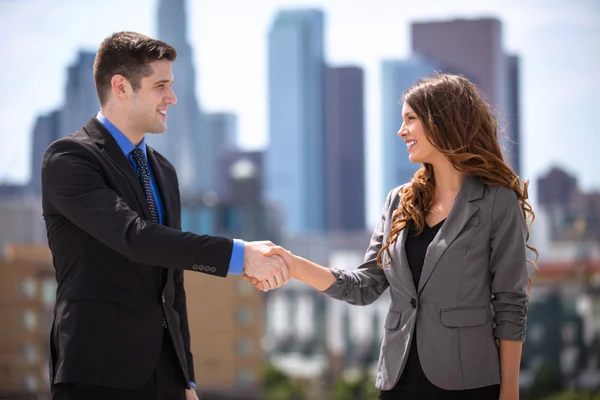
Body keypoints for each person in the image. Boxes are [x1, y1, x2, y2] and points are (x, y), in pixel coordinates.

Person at [249, 74, 537, 399]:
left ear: (441, 120)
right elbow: (364, 286)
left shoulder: (497, 201)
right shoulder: (399, 201)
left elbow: (511, 303)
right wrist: (293, 265)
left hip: (468, 381)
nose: (401, 131)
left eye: (410, 119)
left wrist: (509, 391)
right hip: (397, 379)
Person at [41, 31, 289, 400]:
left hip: (166, 376)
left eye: (171, 86)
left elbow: (172, 285)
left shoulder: (163, 170)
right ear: (121, 87)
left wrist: (185, 377)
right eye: (160, 86)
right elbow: (135, 238)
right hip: (98, 372)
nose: (171, 97)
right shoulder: (70, 160)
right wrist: (239, 256)